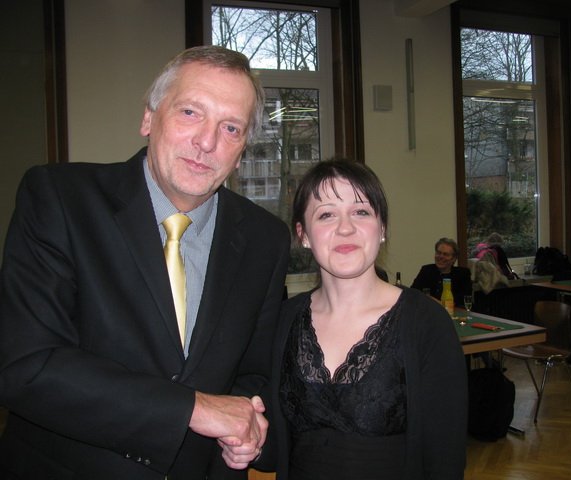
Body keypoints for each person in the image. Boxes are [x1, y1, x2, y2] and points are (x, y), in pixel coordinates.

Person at [0, 46, 290, 479]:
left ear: (243, 147)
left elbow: (254, 373)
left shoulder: (265, 239)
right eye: (190, 112)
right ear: (149, 118)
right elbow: (25, 365)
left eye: (231, 127)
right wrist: (191, 409)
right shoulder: (60, 199)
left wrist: (247, 429)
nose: (207, 142)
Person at [245, 160, 467, 479]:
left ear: (382, 228)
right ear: (303, 234)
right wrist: (251, 442)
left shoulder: (426, 323)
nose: (345, 227)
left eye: (361, 211)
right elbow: (277, 448)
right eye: (326, 214)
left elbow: (445, 459)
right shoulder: (283, 322)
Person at [410, 238, 472, 307]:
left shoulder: (462, 274)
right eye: (438, 253)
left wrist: (433, 300)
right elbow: (413, 293)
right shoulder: (426, 270)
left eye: (445, 254)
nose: (441, 257)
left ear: (454, 258)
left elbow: (464, 300)